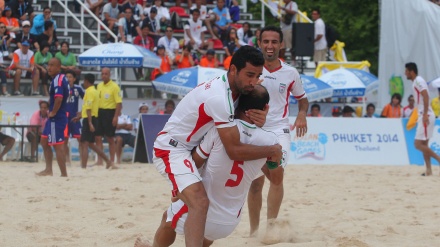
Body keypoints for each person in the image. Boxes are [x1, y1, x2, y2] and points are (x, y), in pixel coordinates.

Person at [152, 46, 282, 246]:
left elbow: (246, 112)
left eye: (257, 76)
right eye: (249, 75)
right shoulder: (219, 97)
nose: (254, 82)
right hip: (173, 149)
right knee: (199, 203)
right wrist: (271, 150)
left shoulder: (242, 87)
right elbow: (233, 150)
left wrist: (259, 119)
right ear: (232, 70)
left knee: (184, 212)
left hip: (196, 148)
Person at [248, 25, 308, 238]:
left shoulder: (291, 72)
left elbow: (303, 100)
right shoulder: (252, 69)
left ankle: (270, 228)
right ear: (260, 43)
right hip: (253, 129)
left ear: (281, 44)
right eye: (266, 41)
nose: (270, 46)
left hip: (279, 129)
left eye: (274, 42)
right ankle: (254, 232)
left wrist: (301, 115)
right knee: (255, 184)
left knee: (277, 175)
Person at [405, 62, 440, 176]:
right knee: (424, 144)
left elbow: (426, 95)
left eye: (406, 71)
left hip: (425, 115)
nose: (405, 73)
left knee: (418, 144)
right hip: (425, 114)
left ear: (411, 71)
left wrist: (424, 114)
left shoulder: (418, 80)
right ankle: (429, 170)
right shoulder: (416, 81)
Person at [36, 58, 70, 177]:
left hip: (58, 117)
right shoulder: (58, 79)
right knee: (44, 141)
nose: (48, 67)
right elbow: (56, 97)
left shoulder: (58, 80)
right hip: (55, 117)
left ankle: (63, 174)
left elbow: (59, 98)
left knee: (57, 145)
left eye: (52, 65)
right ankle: (48, 169)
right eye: (48, 65)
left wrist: (53, 112)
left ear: (58, 67)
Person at [73, 73, 114, 169]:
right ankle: (108, 161)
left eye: (84, 81)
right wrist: (80, 116)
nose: (83, 83)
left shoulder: (89, 92)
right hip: (92, 118)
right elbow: (88, 108)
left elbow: (88, 108)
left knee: (84, 144)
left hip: (89, 119)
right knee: (90, 144)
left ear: (87, 81)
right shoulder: (95, 91)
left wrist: (90, 123)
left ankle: (83, 166)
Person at [94, 67, 121, 169]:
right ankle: (100, 160)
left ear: (110, 75)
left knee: (110, 138)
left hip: (110, 112)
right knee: (98, 137)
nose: (104, 75)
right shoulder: (99, 86)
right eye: (102, 74)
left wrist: (115, 117)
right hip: (99, 112)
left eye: (106, 74)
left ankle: (111, 160)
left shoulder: (115, 87)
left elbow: (118, 103)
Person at [64, 70, 84, 167]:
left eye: (70, 77)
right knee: (65, 139)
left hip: (74, 117)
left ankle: (82, 160)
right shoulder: (61, 89)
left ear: (74, 79)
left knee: (80, 138)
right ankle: (67, 160)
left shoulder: (78, 89)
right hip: (64, 117)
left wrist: (82, 112)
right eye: (66, 77)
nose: (68, 79)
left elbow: (87, 100)